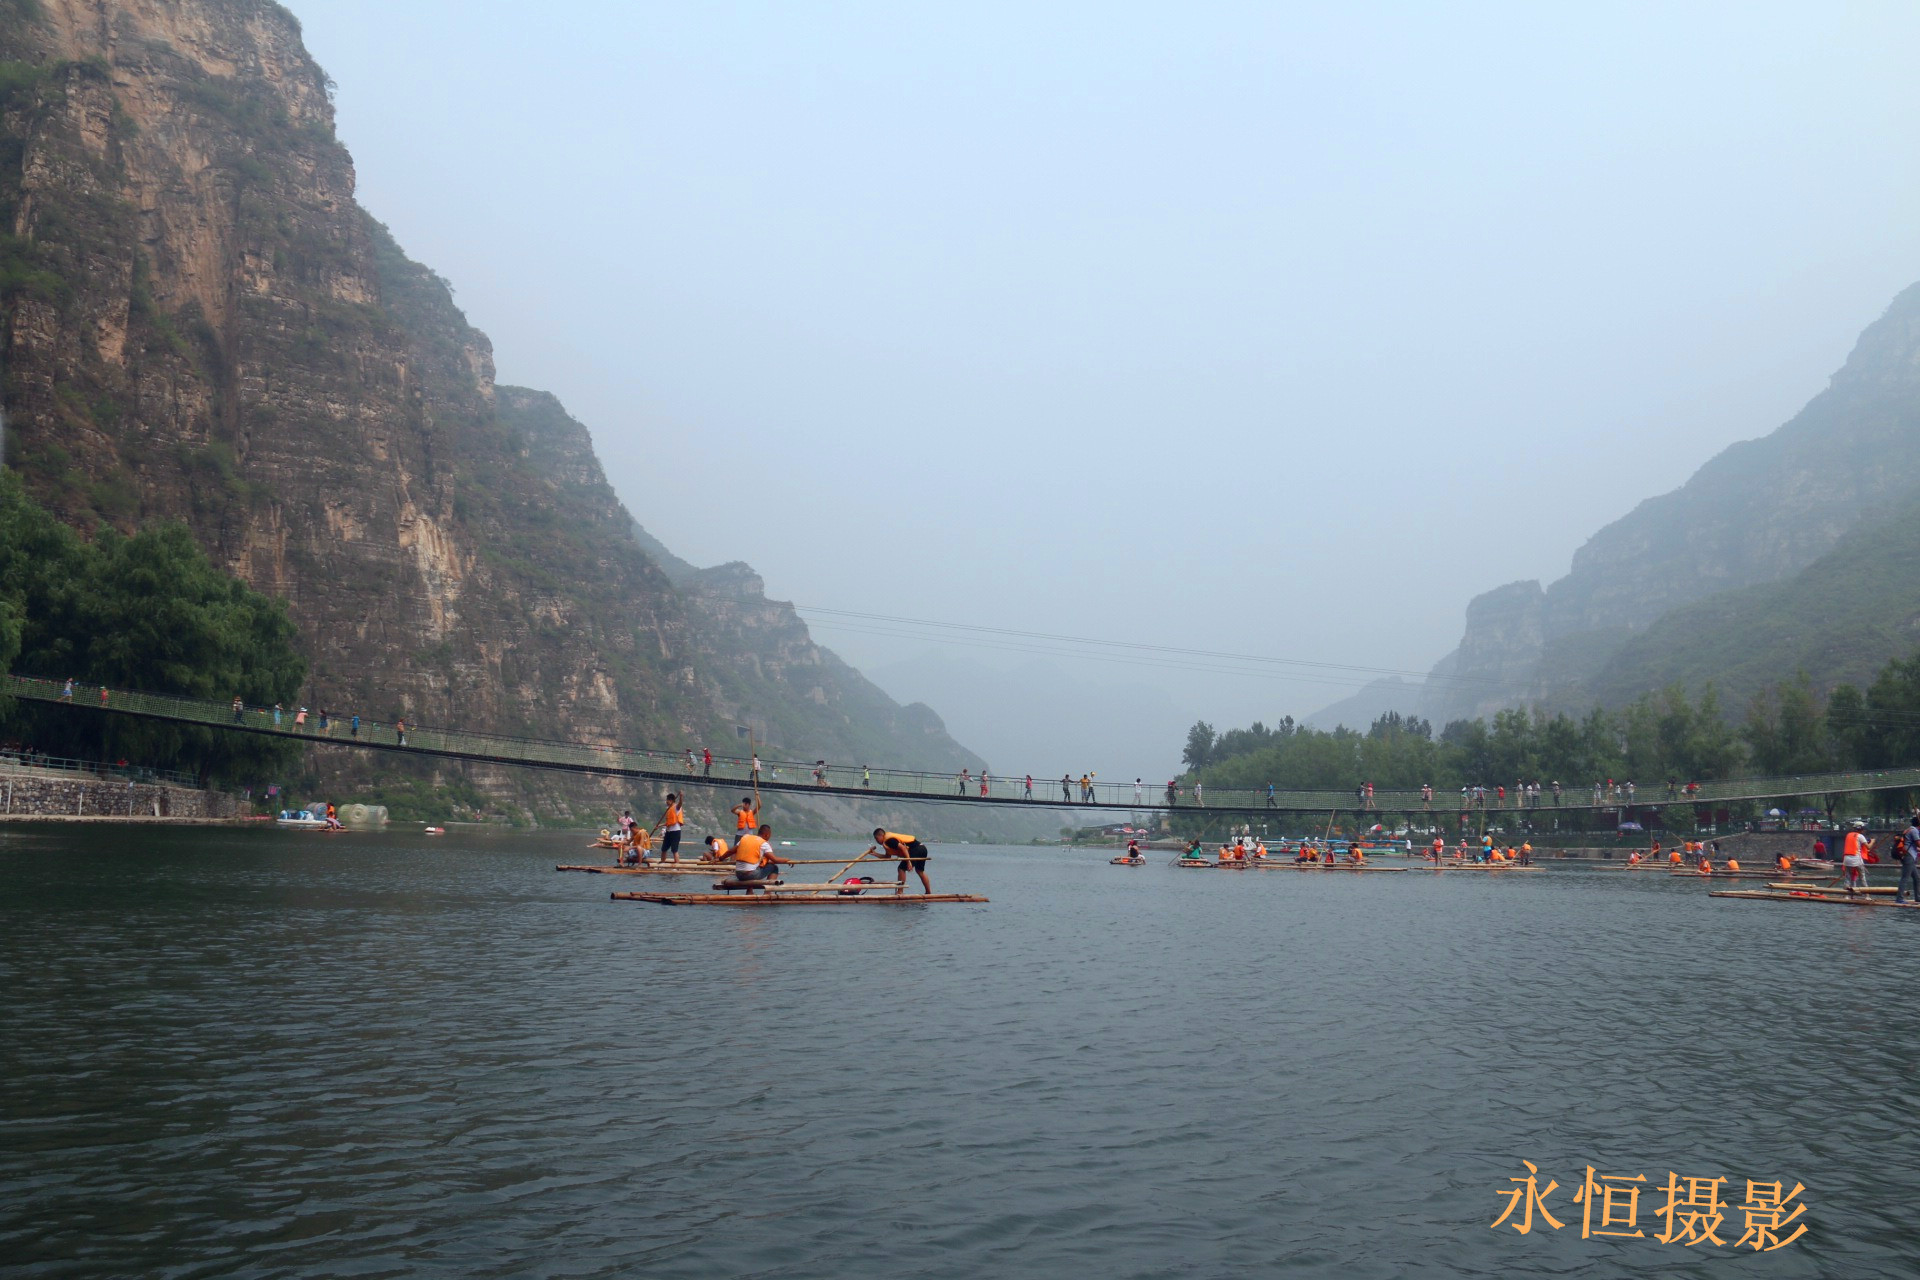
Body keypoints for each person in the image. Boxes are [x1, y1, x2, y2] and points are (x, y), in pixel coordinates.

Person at [727, 824, 792, 890]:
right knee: (774, 868)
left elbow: (730, 851)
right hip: (750, 875)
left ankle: (749, 892)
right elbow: (775, 860)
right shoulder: (764, 843)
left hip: (739, 874)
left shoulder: (745, 838)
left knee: (754, 867)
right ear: (767, 835)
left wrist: (720, 858)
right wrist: (787, 859)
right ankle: (768, 893)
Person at [872, 828, 933, 894]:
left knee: (901, 869)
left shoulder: (889, 841)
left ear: (881, 835)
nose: (876, 841)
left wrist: (908, 861)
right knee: (920, 871)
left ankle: (900, 892)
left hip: (916, 849)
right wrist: (875, 853)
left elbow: (903, 848)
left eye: (877, 838)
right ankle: (928, 892)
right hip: (923, 848)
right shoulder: (887, 843)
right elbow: (887, 857)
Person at [1898, 816, 1920, 905]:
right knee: (1905, 878)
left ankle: (1917, 898)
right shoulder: (1914, 830)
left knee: (1917, 878)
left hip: (1908, 855)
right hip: (1909, 855)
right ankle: (1899, 898)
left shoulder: (1909, 829)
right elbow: (1918, 843)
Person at [656, 794, 685, 862]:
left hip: (675, 832)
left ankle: (677, 865)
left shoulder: (676, 807)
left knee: (674, 850)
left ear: (670, 800)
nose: (666, 802)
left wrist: (681, 797)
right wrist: (659, 826)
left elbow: (680, 804)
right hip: (668, 832)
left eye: (667, 800)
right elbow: (668, 822)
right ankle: (662, 862)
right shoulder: (669, 809)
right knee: (663, 849)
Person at [1842, 827, 1870, 895]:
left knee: (1847, 877)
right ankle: (1867, 896)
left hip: (1846, 859)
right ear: (1861, 829)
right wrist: (1873, 841)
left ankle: (1846, 896)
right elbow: (1868, 847)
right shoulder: (1860, 836)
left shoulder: (1848, 835)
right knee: (1862, 877)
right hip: (1856, 858)